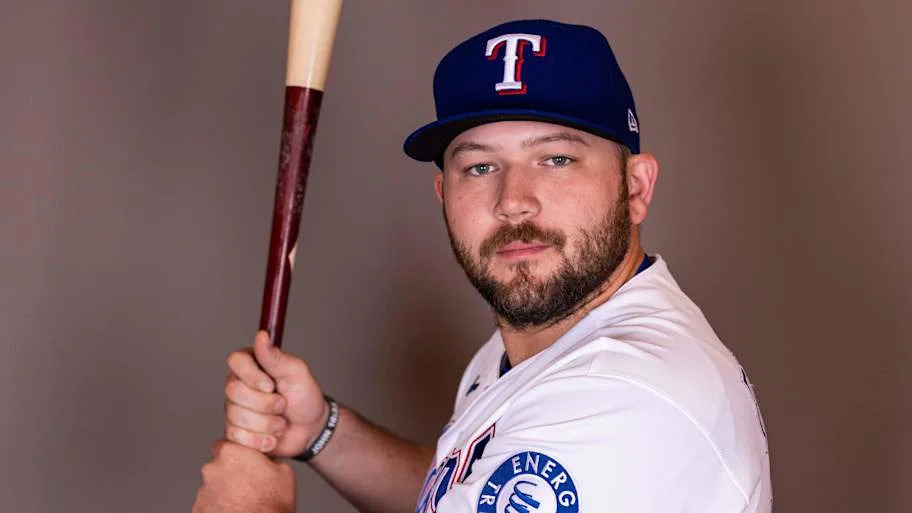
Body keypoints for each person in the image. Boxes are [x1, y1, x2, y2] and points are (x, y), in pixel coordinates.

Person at [193, 19, 772, 513]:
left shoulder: (625, 395)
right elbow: (473, 485)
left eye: (557, 158)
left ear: (635, 187)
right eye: (480, 168)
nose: (513, 199)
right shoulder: (540, 345)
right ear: (442, 193)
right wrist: (323, 430)